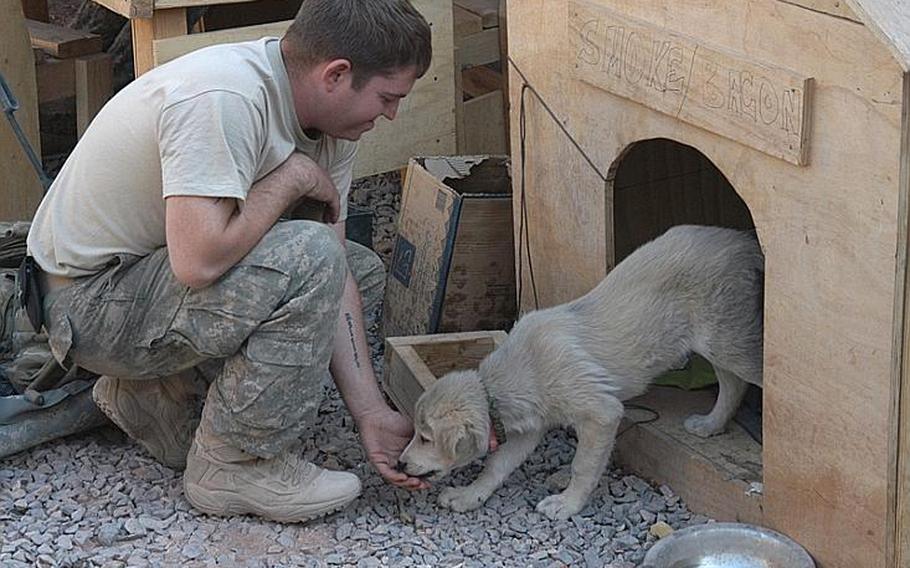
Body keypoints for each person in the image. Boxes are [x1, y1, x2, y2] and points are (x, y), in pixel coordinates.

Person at [26, 0, 432, 523]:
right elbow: (198, 264)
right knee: (307, 257)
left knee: (355, 267)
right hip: (83, 305)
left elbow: (336, 270)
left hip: (139, 286)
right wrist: (290, 178)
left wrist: (371, 412)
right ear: (336, 74)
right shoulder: (224, 97)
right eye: (388, 97)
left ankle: (154, 394)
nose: (392, 114)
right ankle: (234, 465)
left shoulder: (330, 124)